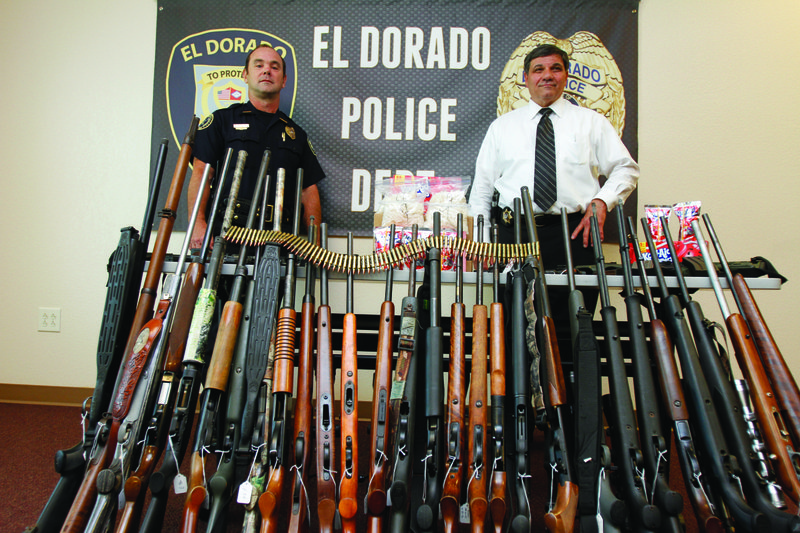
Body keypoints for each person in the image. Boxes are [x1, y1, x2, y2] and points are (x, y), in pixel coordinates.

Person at [468, 43, 639, 272]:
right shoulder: (502, 127)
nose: (547, 75)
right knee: (515, 308)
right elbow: (482, 188)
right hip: (513, 237)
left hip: (574, 235)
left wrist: (602, 202)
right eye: (539, 69)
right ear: (526, 78)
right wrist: (482, 241)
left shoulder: (592, 123)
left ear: (565, 76)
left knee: (575, 308)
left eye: (555, 69)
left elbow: (626, 169)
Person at [188, 44, 325, 248]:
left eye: (275, 67)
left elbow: (308, 191)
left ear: (284, 80)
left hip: (279, 240)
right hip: (226, 236)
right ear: (245, 75)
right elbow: (201, 174)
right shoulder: (222, 121)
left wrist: (315, 243)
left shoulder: (296, 135)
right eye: (259, 65)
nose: (267, 71)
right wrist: (197, 224)